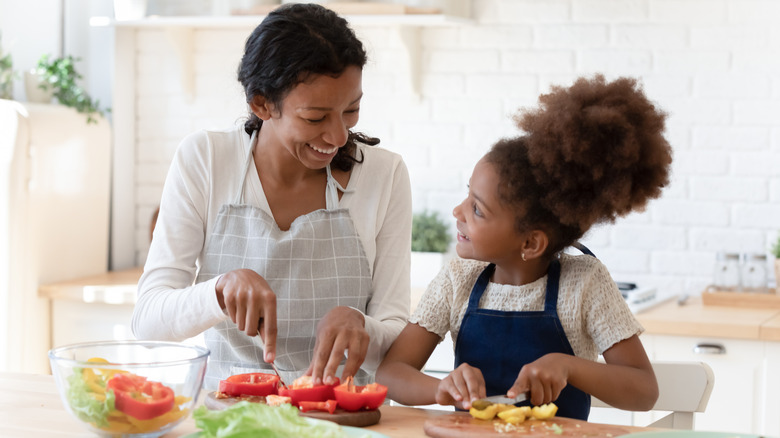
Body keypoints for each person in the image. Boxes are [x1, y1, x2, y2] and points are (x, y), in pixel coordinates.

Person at [132, 3, 412, 390]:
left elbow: (398, 334)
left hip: (344, 418)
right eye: (315, 118)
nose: (338, 136)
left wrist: (363, 325)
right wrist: (218, 290)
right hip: (230, 415)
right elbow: (148, 321)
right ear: (261, 103)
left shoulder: (384, 175)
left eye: (351, 110)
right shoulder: (206, 160)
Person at [376, 75, 672, 420]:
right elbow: (391, 372)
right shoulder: (459, 279)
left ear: (530, 242)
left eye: (477, 209)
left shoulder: (584, 284)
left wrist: (568, 367)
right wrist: (439, 388)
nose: (457, 212)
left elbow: (643, 391)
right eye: (467, 195)